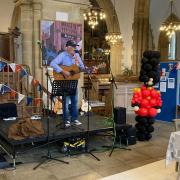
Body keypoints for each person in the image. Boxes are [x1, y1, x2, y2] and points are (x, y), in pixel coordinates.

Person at [50, 40, 85, 127]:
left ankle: (74, 119)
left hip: (73, 81)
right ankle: (66, 120)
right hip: (64, 82)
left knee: (75, 101)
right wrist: (63, 71)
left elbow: (82, 67)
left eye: (75, 47)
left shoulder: (76, 55)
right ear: (67, 47)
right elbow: (52, 63)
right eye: (73, 47)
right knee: (66, 102)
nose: (74, 48)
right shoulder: (62, 55)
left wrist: (80, 65)